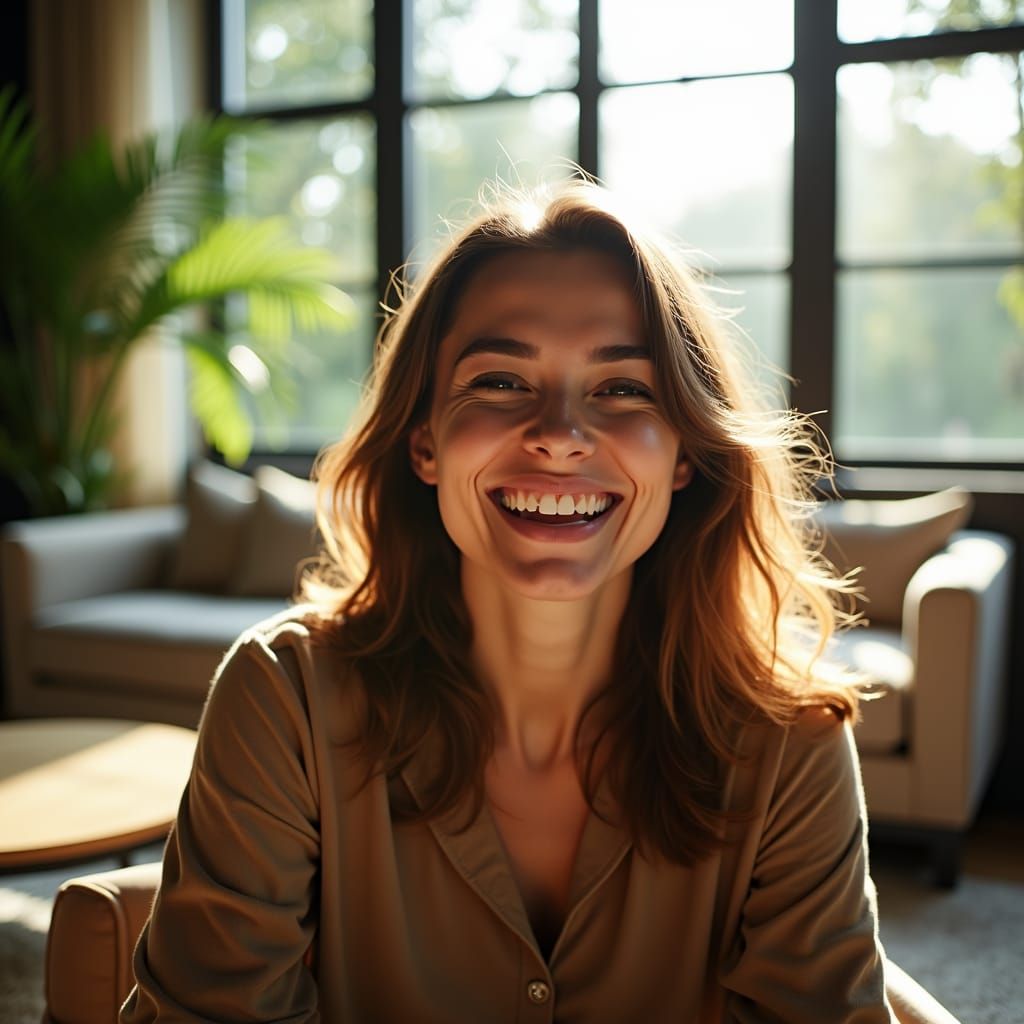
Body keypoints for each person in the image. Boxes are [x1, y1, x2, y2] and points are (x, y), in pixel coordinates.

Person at [120, 182, 954, 1023]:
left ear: (683, 455)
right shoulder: (285, 697)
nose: (559, 434)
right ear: (424, 442)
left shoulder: (789, 740)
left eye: (622, 389)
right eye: (499, 381)